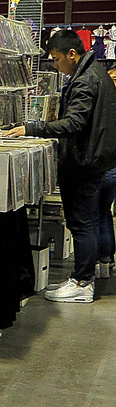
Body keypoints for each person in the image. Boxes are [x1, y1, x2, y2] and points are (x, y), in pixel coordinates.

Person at [8, 28, 116, 302]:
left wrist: (32, 128)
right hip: (94, 161)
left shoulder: (85, 80)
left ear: (72, 54)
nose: (55, 66)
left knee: (82, 224)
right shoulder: (94, 73)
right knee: (89, 221)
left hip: (84, 163)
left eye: (56, 59)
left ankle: (82, 282)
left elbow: (74, 123)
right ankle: (84, 276)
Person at [94, 65, 116, 276]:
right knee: (103, 212)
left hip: (105, 166)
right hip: (111, 167)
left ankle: (97, 262)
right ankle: (106, 260)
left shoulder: (107, 107)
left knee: (96, 214)